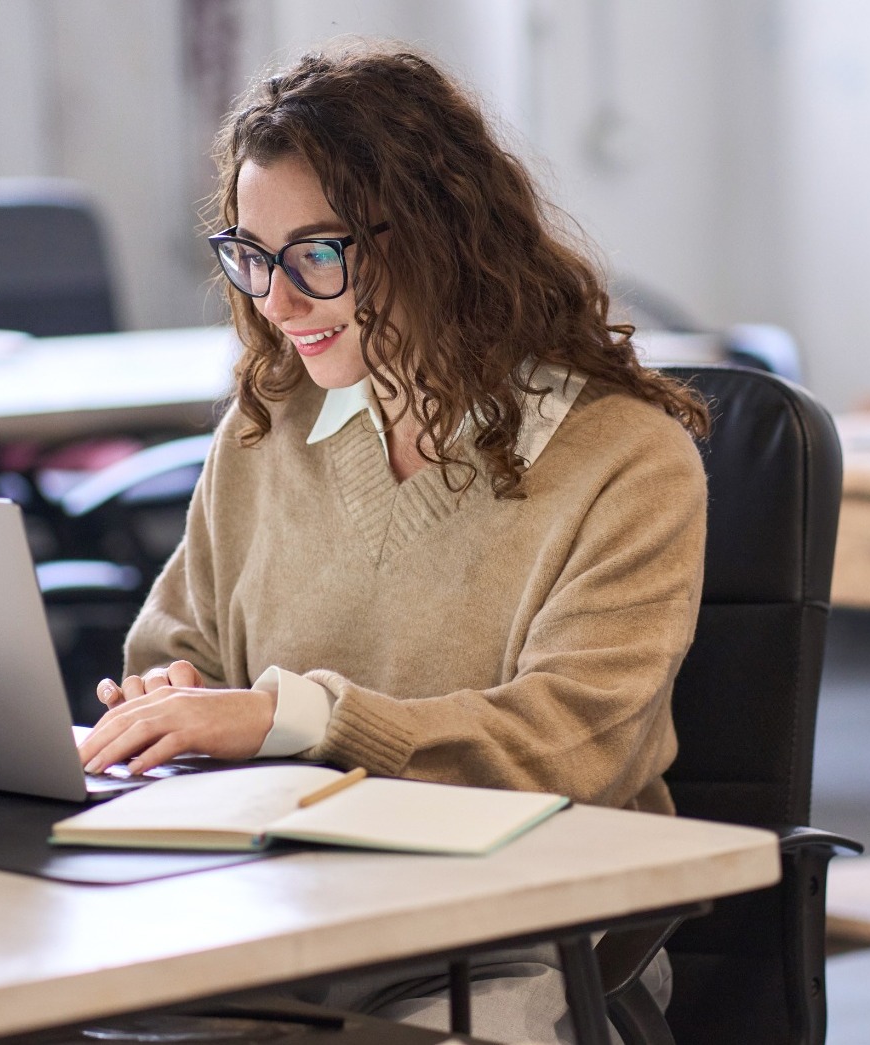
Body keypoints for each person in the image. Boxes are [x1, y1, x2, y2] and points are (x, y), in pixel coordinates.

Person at [77, 41, 710, 1045]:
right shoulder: (267, 425)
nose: (276, 304)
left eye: (317, 255)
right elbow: (174, 647)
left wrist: (294, 716)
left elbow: (570, 744)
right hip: (278, 908)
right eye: (251, 255)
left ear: (437, 235)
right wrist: (174, 700)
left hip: (515, 934)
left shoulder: (625, 459)